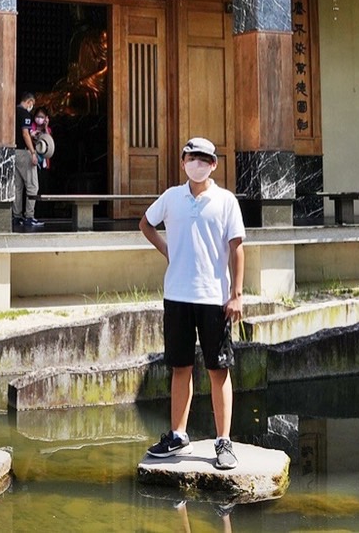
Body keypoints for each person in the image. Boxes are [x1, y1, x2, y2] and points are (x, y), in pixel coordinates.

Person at [140, 137, 245, 471]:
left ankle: (223, 440)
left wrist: (237, 293)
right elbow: (145, 223)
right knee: (180, 366)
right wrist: (167, 250)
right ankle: (177, 434)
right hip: (177, 295)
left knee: (218, 368)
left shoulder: (226, 201)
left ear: (214, 164)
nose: (196, 163)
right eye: (191, 158)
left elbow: (237, 247)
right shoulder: (172, 197)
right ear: (183, 161)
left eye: (203, 159)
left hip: (214, 297)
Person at [12, 92, 41, 231]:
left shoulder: (13, 111)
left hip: (14, 152)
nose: (32, 107)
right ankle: (29, 217)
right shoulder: (24, 114)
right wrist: (33, 152)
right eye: (32, 104)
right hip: (24, 152)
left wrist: (31, 134)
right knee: (32, 186)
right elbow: (24, 133)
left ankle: (16, 216)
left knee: (18, 186)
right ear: (29, 101)